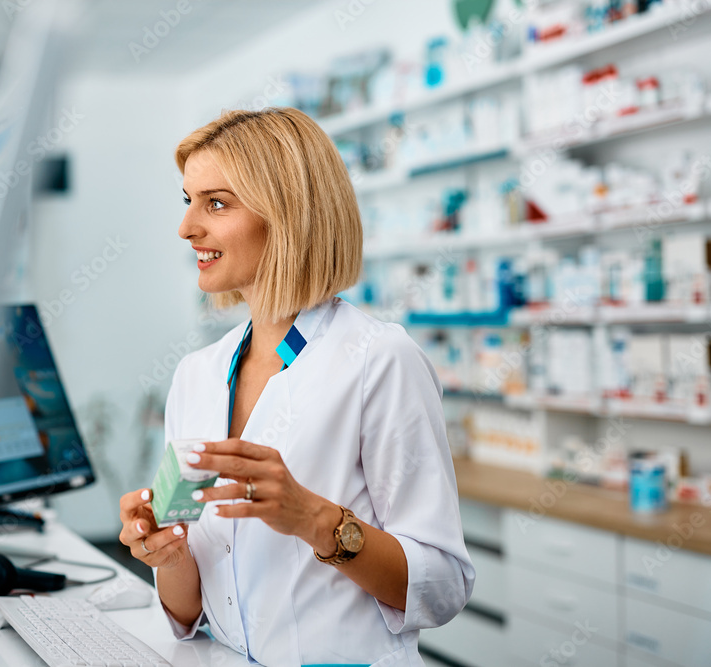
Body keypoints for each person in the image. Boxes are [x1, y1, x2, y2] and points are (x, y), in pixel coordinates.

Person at [118, 107, 474, 666]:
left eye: (216, 202)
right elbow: (186, 615)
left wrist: (313, 518)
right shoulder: (198, 375)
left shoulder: (379, 360)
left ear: (285, 214)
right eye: (187, 200)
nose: (187, 228)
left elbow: (443, 586)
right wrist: (165, 551)